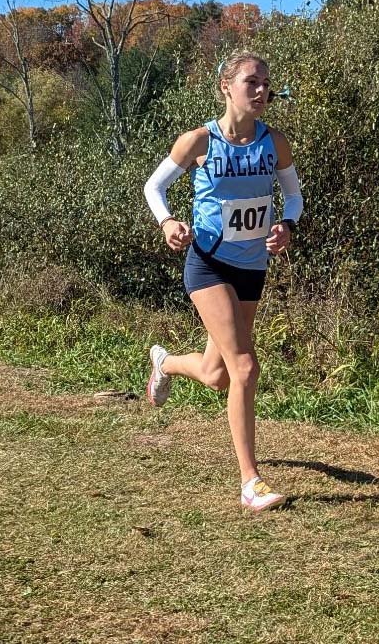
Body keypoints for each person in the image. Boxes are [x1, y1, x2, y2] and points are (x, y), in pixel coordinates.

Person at [142, 49, 304, 513]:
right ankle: (250, 482)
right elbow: (154, 187)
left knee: (217, 375)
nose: (261, 91)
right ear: (226, 87)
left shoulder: (275, 142)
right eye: (251, 82)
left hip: (252, 266)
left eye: (266, 83)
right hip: (207, 264)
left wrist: (287, 226)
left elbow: (292, 195)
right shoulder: (198, 141)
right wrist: (168, 222)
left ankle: (165, 364)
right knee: (245, 368)